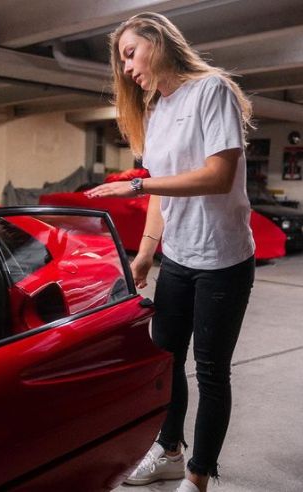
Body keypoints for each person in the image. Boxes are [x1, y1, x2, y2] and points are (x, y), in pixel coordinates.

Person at [85, 12, 255, 492]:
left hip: (223, 260)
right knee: (165, 358)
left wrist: (137, 184)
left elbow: (217, 175)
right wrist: (145, 255)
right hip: (178, 258)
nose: (128, 67)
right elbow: (163, 194)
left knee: (211, 371)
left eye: (130, 53)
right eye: (123, 60)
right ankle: (170, 452)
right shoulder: (156, 111)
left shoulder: (212, 90)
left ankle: (199, 476)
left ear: (157, 41)